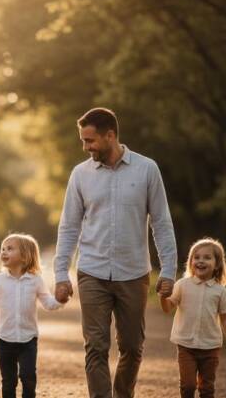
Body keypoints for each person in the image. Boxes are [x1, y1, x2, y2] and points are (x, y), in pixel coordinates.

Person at [54, 107, 178, 398]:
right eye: (83, 141)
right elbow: (69, 227)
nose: (86, 147)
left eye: (90, 140)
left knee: (132, 347)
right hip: (92, 271)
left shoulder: (147, 169)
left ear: (110, 135)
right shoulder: (80, 174)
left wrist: (169, 270)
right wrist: (60, 273)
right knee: (95, 347)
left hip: (133, 273)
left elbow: (161, 222)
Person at [0, 233, 63, 398]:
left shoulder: (36, 281)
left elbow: (49, 303)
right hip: (4, 339)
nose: (3, 252)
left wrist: (61, 299)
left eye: (10, 249)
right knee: (8, 381)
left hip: (28, 340)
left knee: (28, 377)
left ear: (25, 255)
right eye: (3, 249)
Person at [160, 238, 226, 398]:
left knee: (207, 388)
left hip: (210, 347)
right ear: (191, 262)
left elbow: (225, 318)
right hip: (186, 346)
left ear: (217, 264)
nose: (200, 261)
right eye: (196, 257)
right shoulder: (182, 285)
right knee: (188, 386)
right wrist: (163, 296)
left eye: (207, 257)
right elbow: (167, 308)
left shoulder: (220, 291)